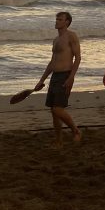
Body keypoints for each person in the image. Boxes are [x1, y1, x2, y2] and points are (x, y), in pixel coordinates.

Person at [34, 11, 82, 147]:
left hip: (65, 75)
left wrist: (71, 78)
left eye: (60, 19)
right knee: (54, 112)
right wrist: (42, 80)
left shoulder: (71, 36)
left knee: (57, 109)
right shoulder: (56, 40)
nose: (56, 21)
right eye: (56, 19)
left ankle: (76, 131)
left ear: (67, 22)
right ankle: (58, 141)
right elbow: (52, 62)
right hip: (55, 76)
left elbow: (78, 58)